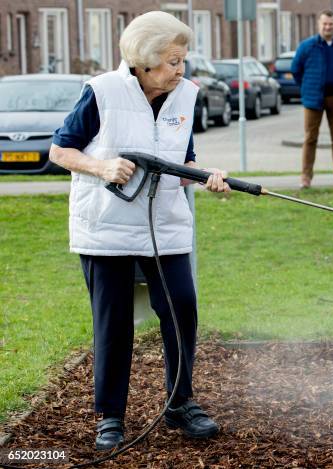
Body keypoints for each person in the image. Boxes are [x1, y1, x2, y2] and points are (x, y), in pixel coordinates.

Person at [49, 11, 229, 451]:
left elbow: (181, 159)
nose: (180, 70)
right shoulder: (102, 92)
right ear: (145, 60)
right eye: (172, 61)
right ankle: (110, 417)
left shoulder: (186, 95)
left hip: (163, 225)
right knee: (113, 323)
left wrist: (204, 175)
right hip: (106, 228)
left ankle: (180, 402)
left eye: (183, 60)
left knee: (182, 309)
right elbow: (60, 150)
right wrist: (101, 166)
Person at [291, 10, 333, 189]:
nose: (327, 27)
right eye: (324, 24)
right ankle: (306, 177)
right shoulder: (307, 46)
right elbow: (296, 70)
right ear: (319, 25)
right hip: (313, 99)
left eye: (331, 24)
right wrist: (306, 87)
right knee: (310, 138)